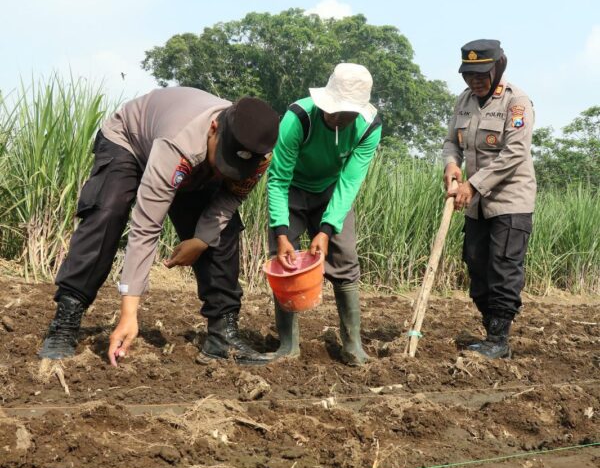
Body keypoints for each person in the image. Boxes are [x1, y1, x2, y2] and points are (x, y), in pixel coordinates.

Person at [38, 88, 280, 367]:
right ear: (214, 129)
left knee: (221, 231)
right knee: (108, 212)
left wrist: (201, 239)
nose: (228, 171)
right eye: (226, 160)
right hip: (130, 141)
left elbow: (232, 196)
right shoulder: (180, 144)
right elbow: (146, 227)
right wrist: (129, 313)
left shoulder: (260, 155)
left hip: (196, 163)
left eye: (237, 166)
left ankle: (222, 334)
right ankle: (66, 320)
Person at [267, 63, 382, 366]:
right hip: (292, 189)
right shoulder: (298, 118)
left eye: (344, 114)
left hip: (332, 191)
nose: (335, 117)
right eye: (332, 110)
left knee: (345, 260)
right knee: (285, 261)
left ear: (358, 112)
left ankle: (353, 345)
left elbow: (350, 181)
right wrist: (281, 232)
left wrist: (327, 229)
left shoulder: (369, 127)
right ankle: (288, 345)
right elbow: (277, 180)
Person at [442, 39, 536, 359]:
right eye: (469, 75)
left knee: (502, 266)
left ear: (497, 68)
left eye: (481, 74)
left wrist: (473, 184)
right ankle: (490, 333)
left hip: (510, 201)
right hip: (476, 204)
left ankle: (499, 340)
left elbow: (514, 154)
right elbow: (451, 142)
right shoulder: (464, 101)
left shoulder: (516, 102)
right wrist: (452, 165)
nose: (475, 81)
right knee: (476, 264)